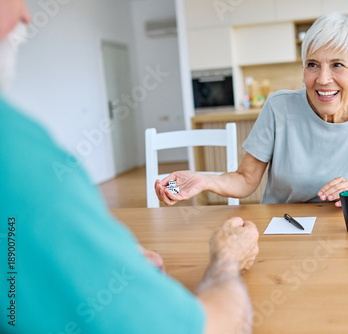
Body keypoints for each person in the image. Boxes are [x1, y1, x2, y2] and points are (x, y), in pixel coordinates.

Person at [0, 1, 259, 333]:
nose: (26, 15)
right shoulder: (22, 161)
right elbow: (215, 326)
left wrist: (107, 256)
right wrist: (227, 260)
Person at [155, 11, 348, 207]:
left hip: (339, 224)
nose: (322, 79)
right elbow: (245, 179)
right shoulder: (279, 107)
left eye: (337, 65)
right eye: (312, 65)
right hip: (283, 224)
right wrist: (204, 179)